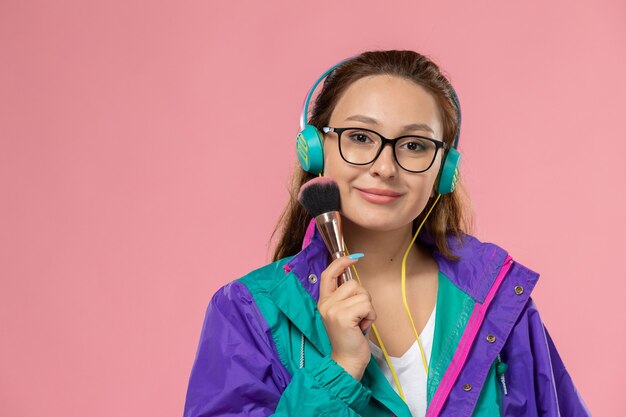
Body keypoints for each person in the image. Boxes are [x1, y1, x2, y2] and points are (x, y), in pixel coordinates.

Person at [183, 50, 591, 417]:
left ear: (444, 172)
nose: (385, 167)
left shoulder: (498, 299)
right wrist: (339, 370)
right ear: (315, 150)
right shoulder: (247, 312)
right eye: (360, 138)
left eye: (414, 145)